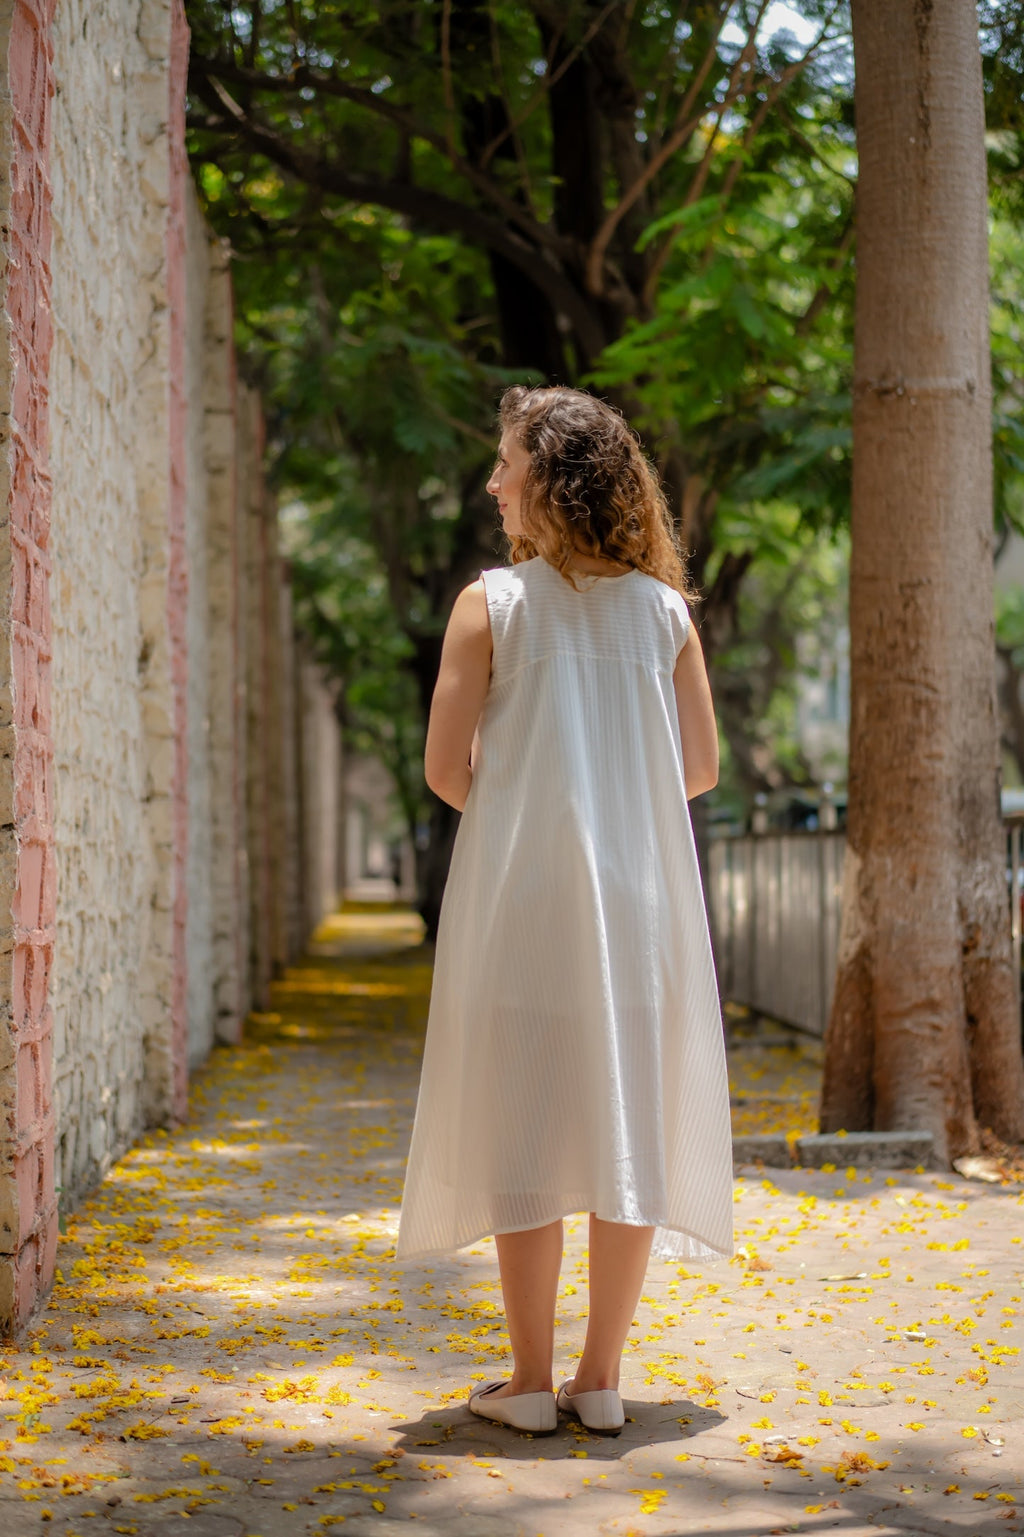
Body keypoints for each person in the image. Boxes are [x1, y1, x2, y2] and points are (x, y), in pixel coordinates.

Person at [396, 385, 733, 1437]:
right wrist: (614, 810)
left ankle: (529, 1380)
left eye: (506, 466)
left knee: (528, 1129)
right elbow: (700, 766)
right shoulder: (664, 612)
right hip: (639, 911)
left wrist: (537, 807)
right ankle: (601, 1378)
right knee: (624, 1124)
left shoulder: (489, 605)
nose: (492, 483)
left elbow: (446, 769)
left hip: (525, 904)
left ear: (550, 482)